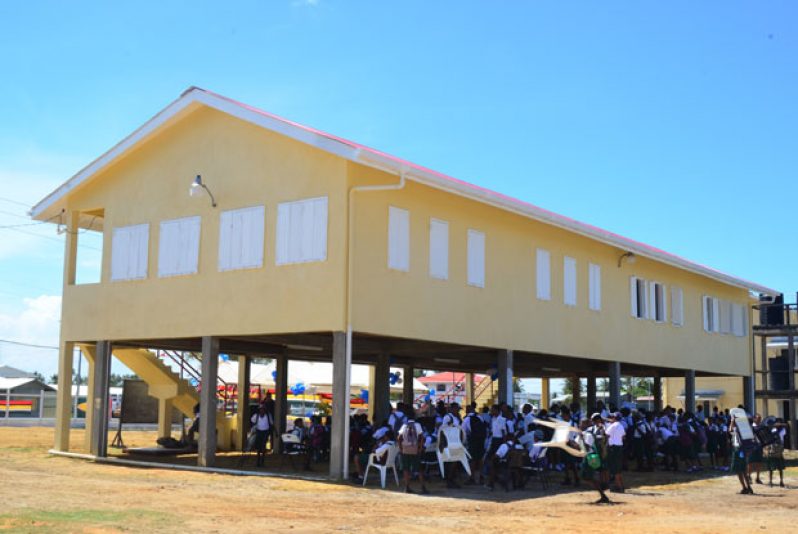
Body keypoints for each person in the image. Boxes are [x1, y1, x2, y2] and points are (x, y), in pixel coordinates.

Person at [582, 414, 611, 503]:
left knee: (588, 476)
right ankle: (603, 490)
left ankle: (603, 493)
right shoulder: (591, 431)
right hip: (594, 455)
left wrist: (582, 440)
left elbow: (588, 445)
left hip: (592, 456)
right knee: (590, 476)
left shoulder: (591, 432)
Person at [398, 411, 428, 494]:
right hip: (415, 449)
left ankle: (407, 487)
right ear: (414, 418)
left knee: (406, 469)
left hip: (405, 449)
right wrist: (420, 448)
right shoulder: (417, 425)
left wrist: (401, 448)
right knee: (419, 469)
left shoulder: (404, 425)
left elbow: (399, 437)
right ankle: (423, 487)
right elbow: (421, 437)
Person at [461, 404, 487, 485]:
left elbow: (463, 431)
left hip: (472, 440)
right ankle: (481, 477)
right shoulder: (480, 417)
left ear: (467, 410)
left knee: (472, 459)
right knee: (480, 459)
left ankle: (471, 478)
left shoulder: (466, 419)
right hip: (481, 440)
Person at [605, 412, 625, 492]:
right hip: (619, 447)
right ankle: (620, 485)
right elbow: (623, 436)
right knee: (618, 468)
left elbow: (606, 434)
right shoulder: (621, 425)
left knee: (614, 468)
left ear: (614, 418)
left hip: (613, 448)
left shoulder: (612, 426)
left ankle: (619, 487)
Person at [765, 419, 786, 488]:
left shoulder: (772, 431)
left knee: (771, 468)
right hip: (778, 451)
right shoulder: (777, 430)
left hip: (773, 451)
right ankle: (781, 482)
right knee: (779, 468)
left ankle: (771, 482)